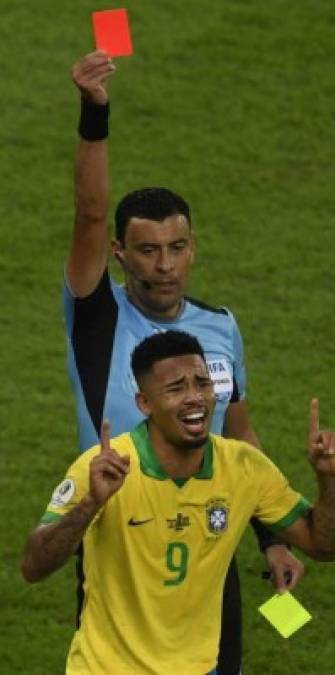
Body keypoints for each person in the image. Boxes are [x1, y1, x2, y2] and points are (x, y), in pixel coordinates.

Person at [65, 50, 302, 673]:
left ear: (193, 248)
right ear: (120, 253)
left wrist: (272, 537)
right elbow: (89, 212)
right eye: (146, 251)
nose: (164, 265)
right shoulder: (97, 315)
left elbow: (240, 436)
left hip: (208, 534)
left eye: (176, 248)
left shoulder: (220, 327)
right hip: (123, 534)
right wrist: (96, 112)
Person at [22, 330, 335, 675]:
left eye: (202, 384)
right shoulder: (105, 468)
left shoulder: (244, 467)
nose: (195, 397)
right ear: (144, 403)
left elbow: (324, 546)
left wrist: (328, 479)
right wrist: (90, 503)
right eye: (176, 389)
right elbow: (33, 565)